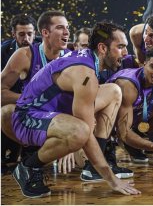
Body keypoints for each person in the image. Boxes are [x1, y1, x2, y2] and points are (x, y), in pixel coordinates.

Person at [1, 21, 139, 198]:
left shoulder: (88, 59)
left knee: (113, 91)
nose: (126, 53)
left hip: (51, 112)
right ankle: (28, 167)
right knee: (80, 131)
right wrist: (111, 179)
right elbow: (85, 133)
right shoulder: (85, 74)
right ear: (103, 48)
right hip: (26, 117)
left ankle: (91, 168)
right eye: (120, 47)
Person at [1, 11, 71, 175]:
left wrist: (73, 145)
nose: (67, 32)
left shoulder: (72, 57)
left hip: (60, 115)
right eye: (61, 28)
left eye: (67, 28)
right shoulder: (24, 55)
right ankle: (30, 148)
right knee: (5, 113)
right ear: (45, 33)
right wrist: (34, 99)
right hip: (32, 112)